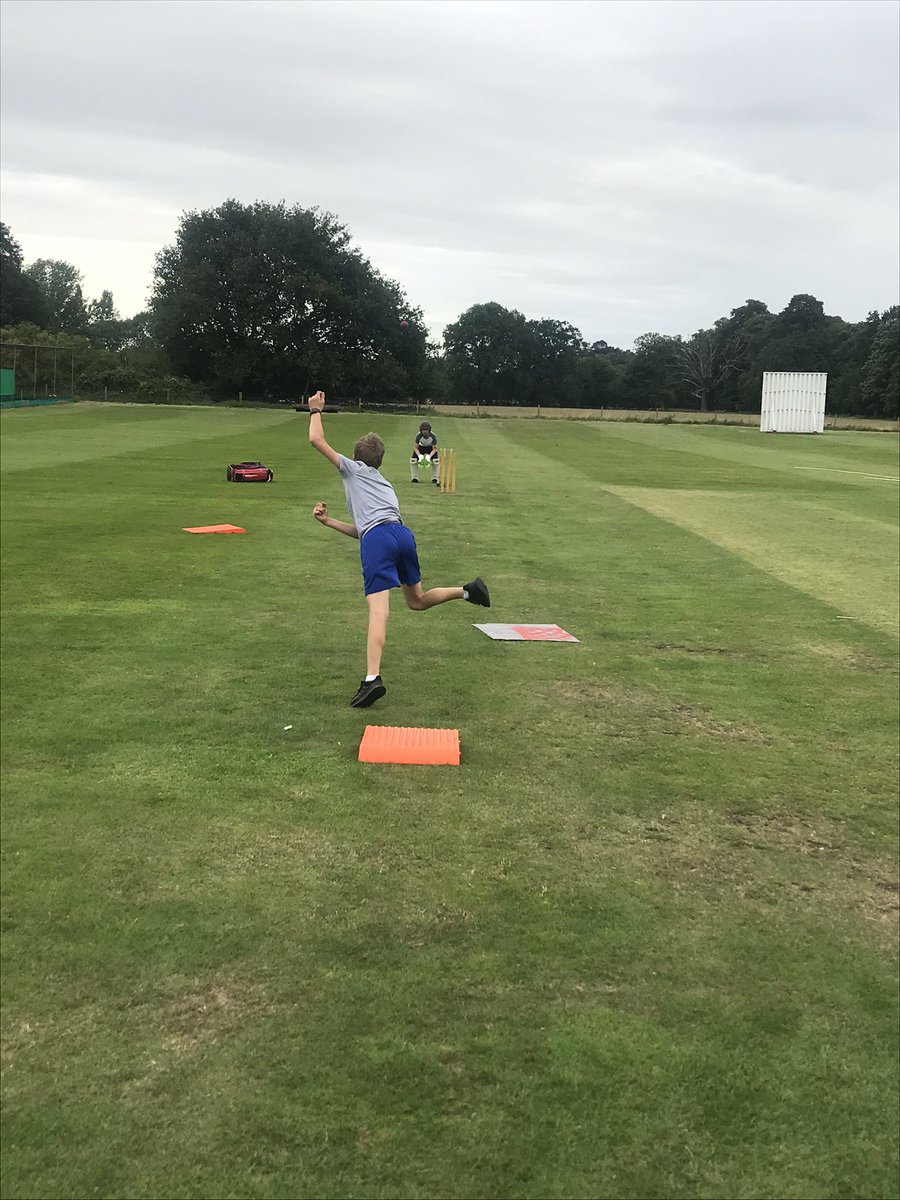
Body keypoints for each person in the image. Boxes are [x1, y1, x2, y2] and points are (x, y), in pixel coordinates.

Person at [306, 392, 490, 708]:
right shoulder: (385, 484)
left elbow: (316, 440)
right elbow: (367, 531)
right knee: (416, 601)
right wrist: (329, 522)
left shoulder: (353, 470)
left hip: (380, 538)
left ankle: (371, 679)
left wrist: (314, 410)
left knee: (379, 609)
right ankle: (467, 592)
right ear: (380, 459)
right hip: (401, 535)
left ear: (355, 458)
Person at [410, 420, 440, 485]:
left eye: (426, 430)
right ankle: (414, 477)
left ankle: (435, 478)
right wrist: (419, 456)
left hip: (430, 448)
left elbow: (434, 449)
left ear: (429, 430)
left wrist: (429, 456)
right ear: (421, 430)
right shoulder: (418, 436)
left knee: (435, 461)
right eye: (423, 430)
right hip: (421, 448)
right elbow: (415, 448)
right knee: (413, 460)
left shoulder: (433, 436)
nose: (425, 431)